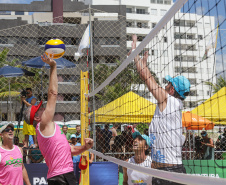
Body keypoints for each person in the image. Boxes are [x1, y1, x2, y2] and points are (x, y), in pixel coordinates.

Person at [23, 54, 93, 185]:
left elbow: (69, 150)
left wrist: (85, 147)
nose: (43, 107)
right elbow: (53, 94)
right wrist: (53, 66)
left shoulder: (47, 128)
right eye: (40, 109)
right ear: (37, 117)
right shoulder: (44, 123)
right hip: (61, 176)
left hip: (61, 175)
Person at [131, 34, 190, 185]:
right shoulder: (172, 108)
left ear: (171, 89)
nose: (165, 86)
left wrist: (135, 54)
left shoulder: (169, 101)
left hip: (169, 174)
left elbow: (145, 76)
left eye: (168, 84)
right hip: (164, 172)